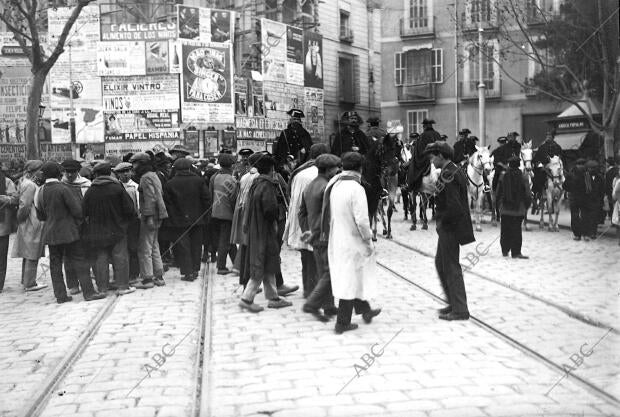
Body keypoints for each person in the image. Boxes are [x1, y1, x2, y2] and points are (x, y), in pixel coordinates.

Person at [322, 152, 381, 334]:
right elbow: (362, 221)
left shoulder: (336, 185)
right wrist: (368, 240)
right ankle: (342, 322)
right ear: (361, 168)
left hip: (338, 237)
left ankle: (365, 310)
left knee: (353, 275)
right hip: (353, 240)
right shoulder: (357, 189)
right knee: (350, 278)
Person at [36, 162, 105, 303]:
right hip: (69, 233)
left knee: (55, 265)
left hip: (50, 233)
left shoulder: (40, 191)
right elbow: (77, 211)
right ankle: (89, 293)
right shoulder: (64, 189)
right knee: (80, 261)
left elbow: (40, 214)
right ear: (59, 173)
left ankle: (60, 296)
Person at [424, 142, 474, 321]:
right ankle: (454, 302)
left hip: (450, 227)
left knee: (451, 266)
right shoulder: (452, 170)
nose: (431, 159)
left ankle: (460, 310)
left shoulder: (449, 173)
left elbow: (454, 206)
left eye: (432, 156)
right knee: (441, 263)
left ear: (441, 155)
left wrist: (441, 222)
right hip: (449, 226)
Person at [238, 154, 293, 312]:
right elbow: (269, 209)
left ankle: (273, 297)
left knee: (269, 262)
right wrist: (277, 216)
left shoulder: (256, 182)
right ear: (272, 169)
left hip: (256, 228)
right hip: (265, 229)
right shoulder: (268, 185)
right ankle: (247, 299)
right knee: (261, 262)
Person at [82, 162, 137, 295]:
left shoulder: (91, 190)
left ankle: (102, 288)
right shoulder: (117, 188)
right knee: (120, 257)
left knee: (101, 258)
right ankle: (122, 286)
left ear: (96, 174)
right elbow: (130, 209)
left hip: (97, 231)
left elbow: (84, 211)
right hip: (117, 229)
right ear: (110, 173)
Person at [283, 144, 330, 297]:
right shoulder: (320, 175)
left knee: (306, 258)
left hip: (300, 220)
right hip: (315, 221)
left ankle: (308, 289)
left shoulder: (299, 172)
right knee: (319, 259)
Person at [300, 154, 342, 322]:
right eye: (334, 168)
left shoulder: (310, 186)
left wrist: (308, 230)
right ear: (328, 170)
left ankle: (329, 306)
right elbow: (329, 214)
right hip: (325, 235)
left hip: (315, 235)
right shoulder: (327, 187)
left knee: (322, 270)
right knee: (330, 273)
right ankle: (312, 303)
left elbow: (301, 212)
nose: (337, 170)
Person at [163, 158, 210, 281]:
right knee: (196, 244)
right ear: (190, 168)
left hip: (178, 221)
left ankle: (187, 272)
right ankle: (195, 269)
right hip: (198, 219)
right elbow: (207, 199)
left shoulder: (170, 184)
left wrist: (172, 219)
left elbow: (168, 204)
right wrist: (205, 216)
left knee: (183, 246)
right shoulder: (199, 181)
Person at [130, 152, 168, 288]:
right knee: (154, 246)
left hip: (150, 216)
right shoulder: (154, 175)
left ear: (141, 164)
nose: (133, 166)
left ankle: (147, 279)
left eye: (135, 163)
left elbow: (150, 199)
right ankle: (159, 276)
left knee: (145, 248)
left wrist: (149, 217)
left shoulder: (145, 178)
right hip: (158, 215)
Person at [11, 160, 47, 292]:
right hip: (31, 220)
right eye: (40, 169)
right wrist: (20, 219)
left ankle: (26, 280)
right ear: (35, 170)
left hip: (28, 220)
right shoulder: (30, 185)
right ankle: (30, 283)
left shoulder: (24, 182)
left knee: (28, 251)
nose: (42, 172)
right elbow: (25, 206)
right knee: (32, 251)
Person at [496, 156, 531, 259]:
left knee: (505, 230)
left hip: (505, 209)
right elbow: (528, 194)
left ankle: (505, 250)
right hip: (518, 209)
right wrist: (526, 206)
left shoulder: (503, 176)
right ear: (519, 165)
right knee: (516, 230)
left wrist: (498, 206)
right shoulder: (524, 176)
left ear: (509, 165)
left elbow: (498, 192)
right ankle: (516, 252)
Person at [112, 162, 141, 284]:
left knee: (133, 247)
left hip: (133, 222)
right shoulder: (115, 186)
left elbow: (139, 206)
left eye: (128, 171)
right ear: (117, 174)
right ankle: (120, 274)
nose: (125, 174)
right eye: (122, 172)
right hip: (119, 222)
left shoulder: (135, 187)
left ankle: (134, 274)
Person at [210, 153, 238, 275]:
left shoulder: (214, 177)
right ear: (231, 165)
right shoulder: (231, 180)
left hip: (215, 212)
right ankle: (221, 266)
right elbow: (233, 199)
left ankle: (237, 264)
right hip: (228, 214)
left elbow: (210, 194)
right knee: (225, 241)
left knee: (229, 240)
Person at [273, 109, 313, 177]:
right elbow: (310, 150)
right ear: (300, 121)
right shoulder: (306, 134)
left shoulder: (285, 133)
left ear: (291, 120)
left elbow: (279, 152)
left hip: (286, 168)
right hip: (303, 168)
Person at [407, 118, 441, 193]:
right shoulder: (438, 134)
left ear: (424, 126)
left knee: (412, 169)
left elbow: (419, 152)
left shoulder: (422, 136)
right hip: (439, 160)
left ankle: (413, 186)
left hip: (427, 160)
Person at [532, 130, 563, 203]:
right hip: (544, 168)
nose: (548, 137)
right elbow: (536, 159)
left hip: (555, 168)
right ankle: (537, 194)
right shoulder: (542, 147)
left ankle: (564, 193)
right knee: (537, 178)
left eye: (549, 136)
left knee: (563, 177)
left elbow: (561, 158)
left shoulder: (558, 147)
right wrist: (541, 166)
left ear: (553, 137)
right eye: (547, 135)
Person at [0, 166, 17, 293]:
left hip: (2, 226)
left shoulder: (6, 181)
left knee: (1, 257)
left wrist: (5, 198)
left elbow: (15, 199)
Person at [565, 158, 587, 240]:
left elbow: (565, 186)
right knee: (584, 214)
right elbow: (589, 187)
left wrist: (570, 190)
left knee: (574, 215)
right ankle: (585, 233)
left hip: (573, 197)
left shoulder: (571, 173)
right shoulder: (587, 173)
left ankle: (577, 234)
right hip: (584, 197)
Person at [582, 160, 604, 241]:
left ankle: (593, 233)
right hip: (586, 201)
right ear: (588, 169)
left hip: (596, 201)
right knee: (586, 218)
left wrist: (600, 200)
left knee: (594, 219)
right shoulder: (585, 177)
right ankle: (586, 233)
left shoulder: (600, 178)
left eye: (594, 168)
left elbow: (602, 190)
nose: (593, 170)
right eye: (591, 168)